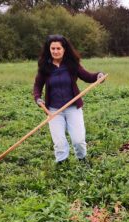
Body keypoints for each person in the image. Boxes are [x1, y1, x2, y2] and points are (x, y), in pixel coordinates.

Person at [33, 34, 105, 165]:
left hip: (73, 108)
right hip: (54, 110)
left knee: (78, 140)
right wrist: (38, 98)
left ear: (64, 49)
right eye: (52, 48)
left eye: (58, 48)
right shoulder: (45, 67)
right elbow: (37, 86)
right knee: (59, 142)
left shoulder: (72, 65)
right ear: (49, 49)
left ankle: (82, 160)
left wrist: (98, 76)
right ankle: (62, 165)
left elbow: (88, 77)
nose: (55, 51)